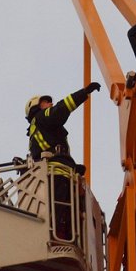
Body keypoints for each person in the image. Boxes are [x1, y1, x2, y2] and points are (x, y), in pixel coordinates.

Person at [25, 82, 101, 239]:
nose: (50, 104)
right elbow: (61, 109)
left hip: (59, 172)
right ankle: (61, 235)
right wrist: (84, 93)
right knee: (64, 209)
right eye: (46, 102)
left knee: (67, 209)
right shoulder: (41, 118)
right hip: (57, 173)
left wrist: (74, 167)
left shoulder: (38, 130)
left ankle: (64, 235)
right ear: (37, 107)